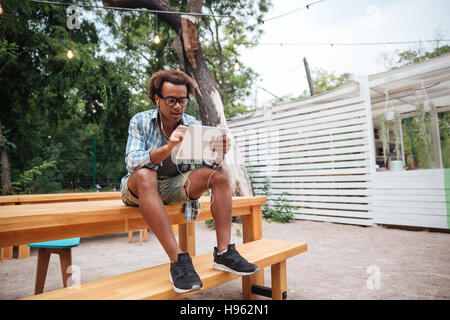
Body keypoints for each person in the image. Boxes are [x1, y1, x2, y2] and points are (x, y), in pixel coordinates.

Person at [120, 69, 258, 293]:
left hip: (175, 185)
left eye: (182, 101)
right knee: (146, 174)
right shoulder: (141, 121)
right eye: (171, 100)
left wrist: (218, 154)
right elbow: (132, 162)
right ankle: (179, 261)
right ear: (158, 99)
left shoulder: (191, 123)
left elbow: (208, 164)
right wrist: (168, 148)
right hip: (139, 188)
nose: (177, 106)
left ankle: (224, 253)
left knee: (220, 173)